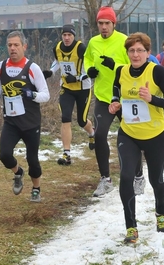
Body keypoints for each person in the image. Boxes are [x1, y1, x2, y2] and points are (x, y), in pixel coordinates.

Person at [108, 32, 164, 243]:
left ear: (148, 53)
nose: (135, 54)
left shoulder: (157, 71)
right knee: (126, 177)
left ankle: (161, 213)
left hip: (155, 135)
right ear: (127, 52)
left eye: (140, 50)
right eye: (131, 50)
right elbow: (116, 90)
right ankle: (131, 227)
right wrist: (114, 103)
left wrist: (152, 98)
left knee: (156, 180)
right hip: (129, 133)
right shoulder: (121, 71)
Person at [84, 6, 145, 197]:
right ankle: (105, 179)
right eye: (100, 23)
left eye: (107, 23)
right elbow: (87, 59)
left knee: (132, 137)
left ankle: (138, 177)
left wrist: (116, 66)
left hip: (126, 97)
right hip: (104, 97)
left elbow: (135, 64)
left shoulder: (124, 41)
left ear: (113, 24)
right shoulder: (93, 42)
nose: (103, 27)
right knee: (100, 135)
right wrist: (89, 71)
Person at [0, 30, 50, 202]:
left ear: (24, 46)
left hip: (30, 122)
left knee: (33, 159)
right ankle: (18, 173)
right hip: (11, 121)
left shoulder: (33, 68)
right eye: (9, 45)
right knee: (4, 155)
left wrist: (32, 95)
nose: (13, 48)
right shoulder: (0, 67)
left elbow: (46, 95)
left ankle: (36, 189)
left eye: (16, 45)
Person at [42, 24, 95, 166]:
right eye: (64, 35)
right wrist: (51, 72)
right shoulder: (57, 47)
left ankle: (92, 133)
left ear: (74, 36)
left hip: (83, 88)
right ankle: (67, 154)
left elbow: (89, 69)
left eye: (69, 35)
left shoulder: (81, 48)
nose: (66, 38)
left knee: (82, 121)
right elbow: (58, 62)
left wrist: (77, 78)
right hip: (66, 88)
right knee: (65, 118)